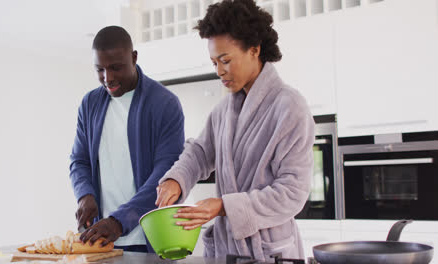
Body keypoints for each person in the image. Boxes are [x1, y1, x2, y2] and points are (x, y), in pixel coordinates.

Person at [155, 0, 314, 261]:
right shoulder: (223, 111)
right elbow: (199, 152)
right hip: (227, 251)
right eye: (214, 62)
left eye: (225, 60)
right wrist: (176, 179)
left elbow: (292, 193)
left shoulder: (290, 107)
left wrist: (224, 206)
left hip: (269, 253)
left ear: (254, 49)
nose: (219, 71)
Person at [69, 26, 184, 252]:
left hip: (149, 241)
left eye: (115, 68)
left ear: (134, 58)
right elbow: (79, 160)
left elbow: (166, 175)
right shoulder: (90, 104)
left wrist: (120, 220)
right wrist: (85, 195)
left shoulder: (165, 104)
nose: (107, 78)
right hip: (101, 241)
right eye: (99, 69)